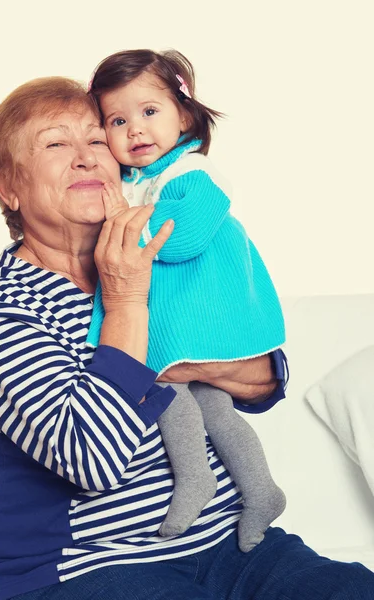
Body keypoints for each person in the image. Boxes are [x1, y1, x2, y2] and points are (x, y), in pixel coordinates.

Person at [0, 76, 374, 600]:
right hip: (84, 569)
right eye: (57, 144)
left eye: (97, 140)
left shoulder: (154, 251)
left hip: (231, 546)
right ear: (7, 188)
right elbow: (92, 461)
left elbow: (266, 378)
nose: (86, 158)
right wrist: (126, 300)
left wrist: (190, 364)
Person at [86, 48, 286, 549]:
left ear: (185, 114)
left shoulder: (193, 170)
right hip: (181, 309)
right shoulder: (131, 184)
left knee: (163, 385)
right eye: (117, 120)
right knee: (210, 406)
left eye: (149, 112)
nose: (135, 130)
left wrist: (120, 225)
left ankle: (196, 477)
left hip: (205, 308)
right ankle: (259, 489)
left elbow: (184, 234)